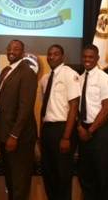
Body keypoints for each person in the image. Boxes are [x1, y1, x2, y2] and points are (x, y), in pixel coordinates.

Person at [0, 40, 38, 200]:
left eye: (16, 49)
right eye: (10, 48)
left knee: (20, 183)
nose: (12, 51)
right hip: (5, 135)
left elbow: (25, 108)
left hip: (19, 138)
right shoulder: (6, 70)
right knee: (11, 181)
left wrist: (14, 135)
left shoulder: (27, 72)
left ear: (23, 52)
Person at [39, 44, 80, 200]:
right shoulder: (44, 79)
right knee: (48, 174)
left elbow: (74, 106)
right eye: (49, 54)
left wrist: (66, 137)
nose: (51, 57)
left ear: (62, 56)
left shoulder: (70, 74)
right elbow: (44, 109)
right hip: (47, 130)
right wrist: (40, 134)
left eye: (55, 54)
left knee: (63, 175)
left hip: (63, 129)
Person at [77, 44, 108, 200]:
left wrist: (90, 130)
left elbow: (107, 108)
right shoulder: (78, 79)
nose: (87, 60)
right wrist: (80, 128)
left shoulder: (104, 78)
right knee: (85, 174)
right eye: (85, 56)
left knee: (103, 175)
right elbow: (75, 106)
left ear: (97, 58)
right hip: (83, 131)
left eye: (91, 57)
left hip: (100, 131)